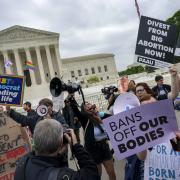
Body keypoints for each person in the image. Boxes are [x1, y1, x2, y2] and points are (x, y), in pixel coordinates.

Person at [14, 119, 100, 180]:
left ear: (34, 138)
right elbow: (92, 174)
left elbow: (44, 162)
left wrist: (58, 155)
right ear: (61, 142)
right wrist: (76, 145)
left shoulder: (23, 161)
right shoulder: (61, 176)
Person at [71, 100, 116, 180]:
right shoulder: (85, 119)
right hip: (93, 151)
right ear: (84, 110)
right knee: (97, 176)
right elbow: (75, 109)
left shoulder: (100, 115)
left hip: (104, 148)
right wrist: (71, 97)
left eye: (89, 103)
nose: (88, 105)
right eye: (85, 105)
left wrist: (99, 114)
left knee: (112, 174)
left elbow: (113, 118)